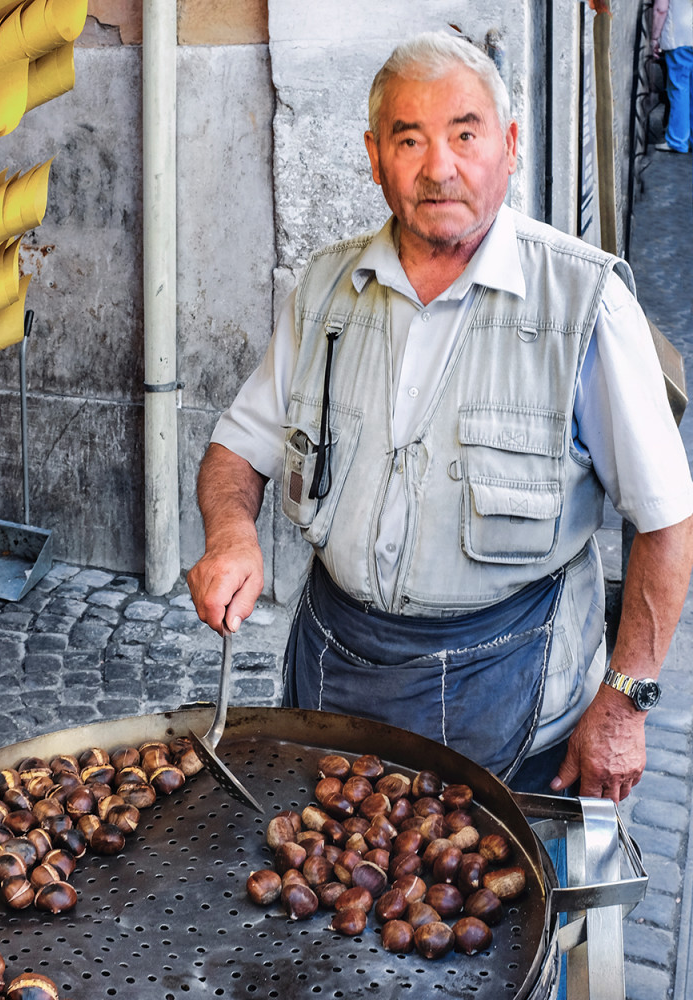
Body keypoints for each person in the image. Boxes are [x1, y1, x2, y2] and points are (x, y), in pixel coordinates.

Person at [187, 32, 693, 803]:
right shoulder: (325, 290)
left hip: (516, 705)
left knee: (490, 915)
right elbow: (236, 447)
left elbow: (666, 520)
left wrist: (625, 703)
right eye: (409, 139)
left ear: (510, 145)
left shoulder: (584, 306)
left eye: (464, 134)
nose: (439, 167)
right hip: (334, 684)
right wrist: (231, 535)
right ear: (373, 154)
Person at [652, 0, 693, 152]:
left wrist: (654, 38)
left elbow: (661, 9)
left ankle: (678, 140)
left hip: (680, 36)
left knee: (679, 89)